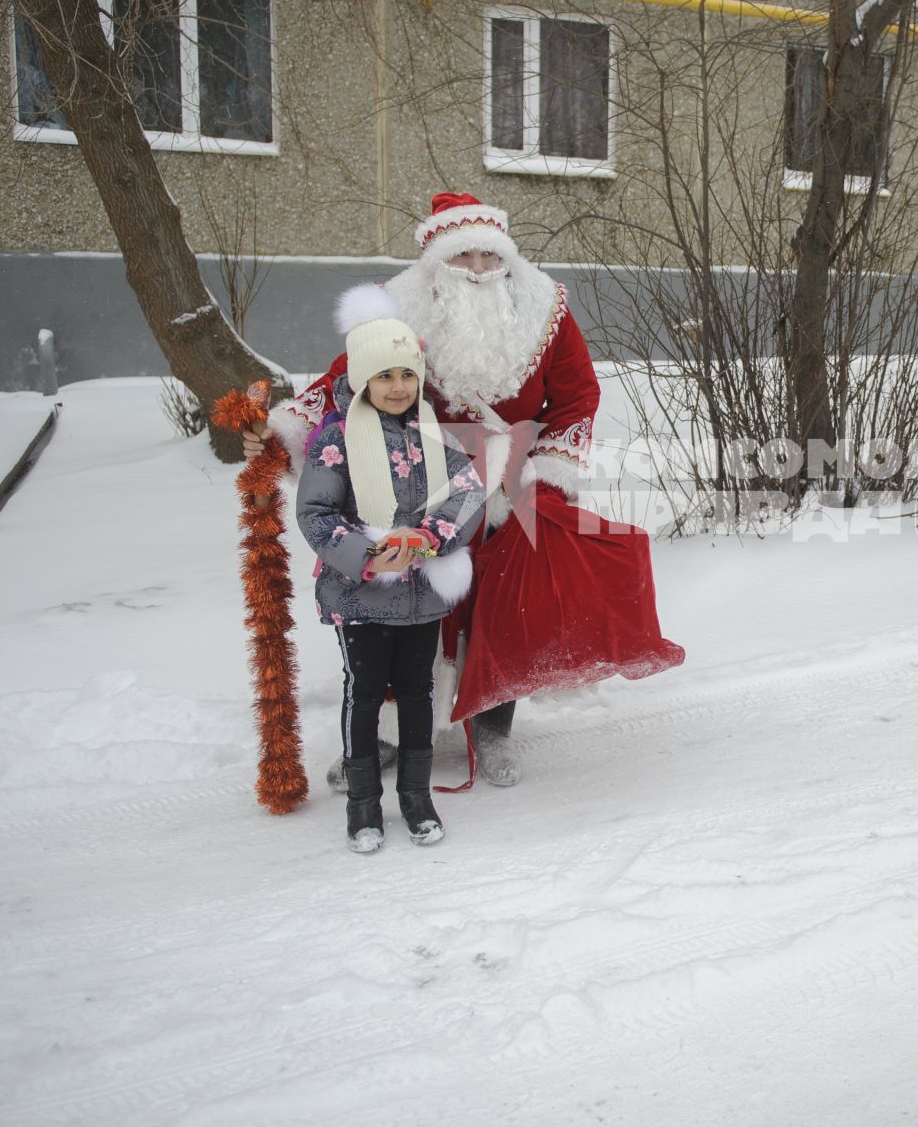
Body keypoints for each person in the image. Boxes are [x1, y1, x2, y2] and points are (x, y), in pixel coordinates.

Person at [260, 191, 684, 790]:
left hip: (513, 482)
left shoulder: (546, 307)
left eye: (491, 257)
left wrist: (546, 473)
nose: (481, 270)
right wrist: (286, 436)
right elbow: (343, 377)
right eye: (466, 259)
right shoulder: (399, 305)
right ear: (438, 261)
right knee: (400, 602)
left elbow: (577, 397)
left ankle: (492, 726)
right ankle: (381, 736)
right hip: (410, 477)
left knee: (501, 606)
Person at [293, 291, 485, 852]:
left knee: (420, 691)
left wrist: (430, 538)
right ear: (361, 381)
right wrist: (367, 554)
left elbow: (467, 495)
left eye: (407, 374)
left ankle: (416, 798)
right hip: (362, 593)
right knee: (366, 691)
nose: (398, 386)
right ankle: (363, 806)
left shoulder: (435, 436)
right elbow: (316, 512)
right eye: (384, 376)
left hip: (422, 593)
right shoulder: (336, 439)